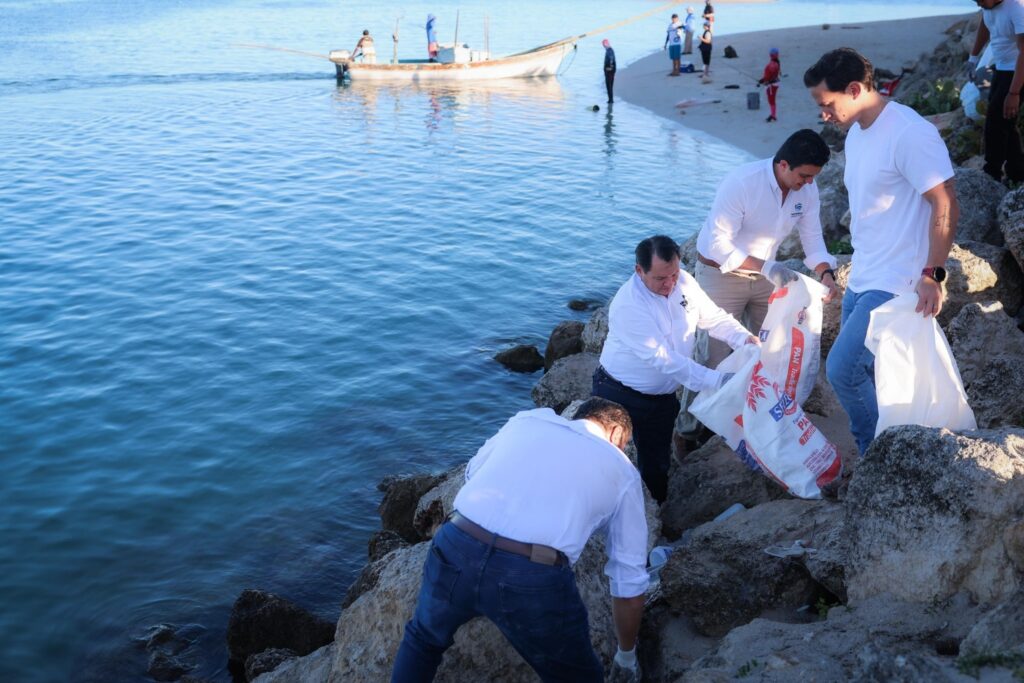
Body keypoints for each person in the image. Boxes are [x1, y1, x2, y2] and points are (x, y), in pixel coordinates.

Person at [390, 398, 648, 682]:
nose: (623, 451)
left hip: (456, 541)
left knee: (423, 640)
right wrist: (626, 656)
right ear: (616, 433)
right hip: (530, 576)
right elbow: (628, 579)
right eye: (625, 444)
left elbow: (472, 472)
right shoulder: (622, 469)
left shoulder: (528, 420)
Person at [804, 48, 959, 455]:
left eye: (827, 104)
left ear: (855, 89)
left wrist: (933, 274)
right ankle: (894, 454)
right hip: (863, 275)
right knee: (873, 376)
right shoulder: (857, 133)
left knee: (843, 371)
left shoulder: (908, 132)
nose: (824, 115)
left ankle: (875, 458)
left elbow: (945, 203)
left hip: (897, 279)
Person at [675, 129, 838, 452]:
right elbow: (718, 244)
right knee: (712, 356)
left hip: (766, 277)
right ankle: (688, 433)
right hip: (720, 274)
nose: (808, 183)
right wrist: (768, 268)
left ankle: (753, 424)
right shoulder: (742, 182)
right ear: (783, 164)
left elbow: (812, 238)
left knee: (771, 351)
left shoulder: (807, 189)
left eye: (813, 178)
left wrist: (826, 272)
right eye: (804, 176)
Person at [594, 235, 758, 503]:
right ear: (639, 270)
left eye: (674, 274)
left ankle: (655, 515)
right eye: (660, 278)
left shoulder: (685, 283)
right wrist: (718, 381)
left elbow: (714, 318)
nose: (670, 283)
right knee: (605, 464)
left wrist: (744, 339)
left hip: (661, 398)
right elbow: (664, 359)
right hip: (618, 393)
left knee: (657, 466)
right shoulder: (628, 305)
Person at [966, 0, 1024, 183]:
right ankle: (1017, 173)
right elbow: (985, 25)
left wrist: (1014, 93)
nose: (979, 5)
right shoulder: (989, 6)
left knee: (994, 123)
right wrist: (973, 58)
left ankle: (991, 174)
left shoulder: (1017, 8)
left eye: (980, 0)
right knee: (1006, 122)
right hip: (1002, 68)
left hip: (1018, 71)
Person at [758, 47, 782, 122]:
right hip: (773, 83)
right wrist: (763, 80)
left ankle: (773, 116)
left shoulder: (772, 64)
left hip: (772, 85)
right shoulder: (776, 62)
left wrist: (764, 80)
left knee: (771, 100)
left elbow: (769, 76)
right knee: (771, 100)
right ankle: (773, 115)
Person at [603, 38, 617, 103]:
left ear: (606, 44)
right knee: (609, 86)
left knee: (609, 86)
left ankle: (611, 100)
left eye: (604, 45)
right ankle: (610, 99)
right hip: (611, 71)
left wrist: (608, 69)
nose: (603, 47)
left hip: (609, 71)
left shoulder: (609, 51)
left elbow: (611, 60)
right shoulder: (610, 50)